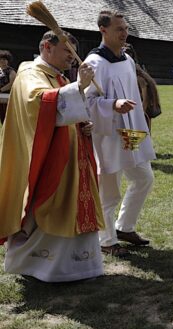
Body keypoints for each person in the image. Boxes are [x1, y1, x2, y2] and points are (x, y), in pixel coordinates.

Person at [0, 31, 105, 282]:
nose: (72, 58)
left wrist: (83, 124)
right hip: (46, 158)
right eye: (67, 51)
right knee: (51, 205)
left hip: (70, 155)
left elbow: (67, 112)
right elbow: (38, 105)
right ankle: (41, 267)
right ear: (47, 47)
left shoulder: (56, 76)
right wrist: (78, 86)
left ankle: (79, 266)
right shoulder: (30, 73)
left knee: (74, 202)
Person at [84, 10, 155, 256]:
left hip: (130, 130)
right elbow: (86, 103)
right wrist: (112, 105)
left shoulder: (128, 60)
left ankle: (124, 227)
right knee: (109, 188)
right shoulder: (94, 62)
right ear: (103, 30)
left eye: (125, 28)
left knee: (144, 177)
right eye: (119, 29)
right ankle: (106, 240)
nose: (124, 33)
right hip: (108, 135)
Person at [123, 43, 161, 132]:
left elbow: (145, 98)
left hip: (140, 111)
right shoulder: (133, 73)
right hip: (135, 110)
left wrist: (140, 114)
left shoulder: (138, 77)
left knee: (142, 136)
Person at [0, 49, 17, 122]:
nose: (2, 61)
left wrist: (0, 90)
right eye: (1, 59)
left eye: (4, 59)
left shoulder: (11, 71)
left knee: (5, 118)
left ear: (8, 60)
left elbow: (12, 83)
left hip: (7, 96)